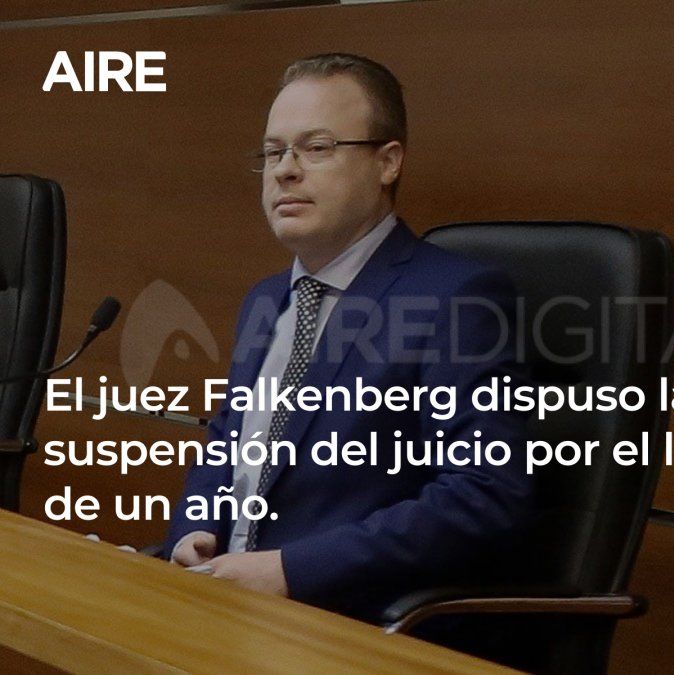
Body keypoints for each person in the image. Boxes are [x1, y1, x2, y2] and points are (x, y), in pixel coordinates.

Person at [163, 53, 531, 621]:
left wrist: (291, 570)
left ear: (388, 162)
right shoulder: (266, 298)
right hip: (219, 600)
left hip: (343, 619)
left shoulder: (454, 299)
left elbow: (483, 492)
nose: (285, 171)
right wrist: (195, 528)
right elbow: (229, 444)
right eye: (273, 152)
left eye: (316, 148)